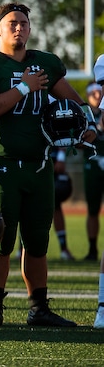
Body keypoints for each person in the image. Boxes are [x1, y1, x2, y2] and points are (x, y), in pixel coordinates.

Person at [0, 2, 95, 327]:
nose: (18, 28)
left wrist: (89, 127)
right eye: (11, 23)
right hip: (2, 166)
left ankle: (39, 308)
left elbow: (76, 104)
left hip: (39, 165)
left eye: (23, 22)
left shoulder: (46, 64)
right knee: (0, 240)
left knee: (38, 241)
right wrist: (24, 86)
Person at [82, 80, 104, 261]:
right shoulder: (83, 116)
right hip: (92, 166)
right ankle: (92, 249)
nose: (97, 95)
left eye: (100, 91)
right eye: (93, 93)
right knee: (92, 210)